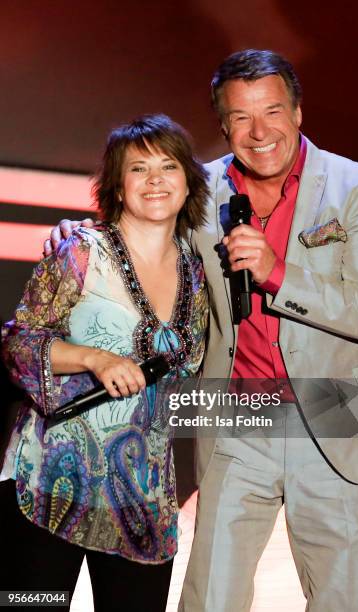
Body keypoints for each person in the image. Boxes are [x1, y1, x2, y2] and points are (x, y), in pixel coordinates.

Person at [43, 50, 358, 612]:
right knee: (209, 595)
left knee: (343, 599)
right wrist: (81, 235)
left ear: (298, 112)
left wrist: (277, 272)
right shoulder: (199, 188)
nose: (259, 131)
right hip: (237, 408)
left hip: (341, 405)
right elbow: (141, 227)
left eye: (273, 111)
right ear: (223, 124)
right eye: (241, 117)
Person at [1, 114, 209, 612]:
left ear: (188, 183)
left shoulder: (200, 272)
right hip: (51, 484)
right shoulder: (80, 251)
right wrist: (93, 357)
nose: (155, 179)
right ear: (117, 186)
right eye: (139, 169)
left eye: (168, 166)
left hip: (144, 501)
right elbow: (17, 343)